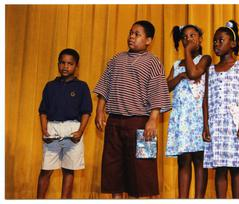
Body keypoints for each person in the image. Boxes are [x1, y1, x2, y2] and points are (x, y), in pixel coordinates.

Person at [94, 20, 171, 198]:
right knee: (113, 170)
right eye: (130, 33)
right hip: (114, 122)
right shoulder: (116, 59)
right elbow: (104, 86)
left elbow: (158, 91)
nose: (131, 37)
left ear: (148, 40)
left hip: (141, 124)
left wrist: (152, 120)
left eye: (137, 34)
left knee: (142, 172)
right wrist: (100, 111)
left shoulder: (153, 62)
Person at [202, 20, 239, 198]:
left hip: (236, 124)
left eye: (220, 40)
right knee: (220, 168)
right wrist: (206, 126)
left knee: (236, 168)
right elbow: (206, 99)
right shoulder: (210, 69)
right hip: (216, 124)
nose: (216, 44)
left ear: (232, 44)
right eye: (214, 41)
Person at [37, 48, 92, 199]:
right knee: (46, 169)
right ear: (58, 64)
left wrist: (80, 131)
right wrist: (44, 130)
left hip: (73, 128)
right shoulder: (50, 86)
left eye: (70, 63)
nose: (65, 67)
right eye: (62, 63)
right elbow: (43, 111)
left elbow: (86, 112)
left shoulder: (82, 86)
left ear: (76, 66)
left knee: (68, 170)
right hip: (52, 128)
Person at [165, 24, 211, 198]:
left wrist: (188, 54)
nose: (189, 39)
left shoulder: (205, 59)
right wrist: (179, 76)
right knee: (183, 160)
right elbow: (166, 87)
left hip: (199, 118)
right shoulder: (177, 65)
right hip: (182, 118)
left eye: (193, 36)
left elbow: (193, 73)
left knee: (199, 159)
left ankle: (199, 199)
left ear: (199, 39)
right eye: (185, 37)